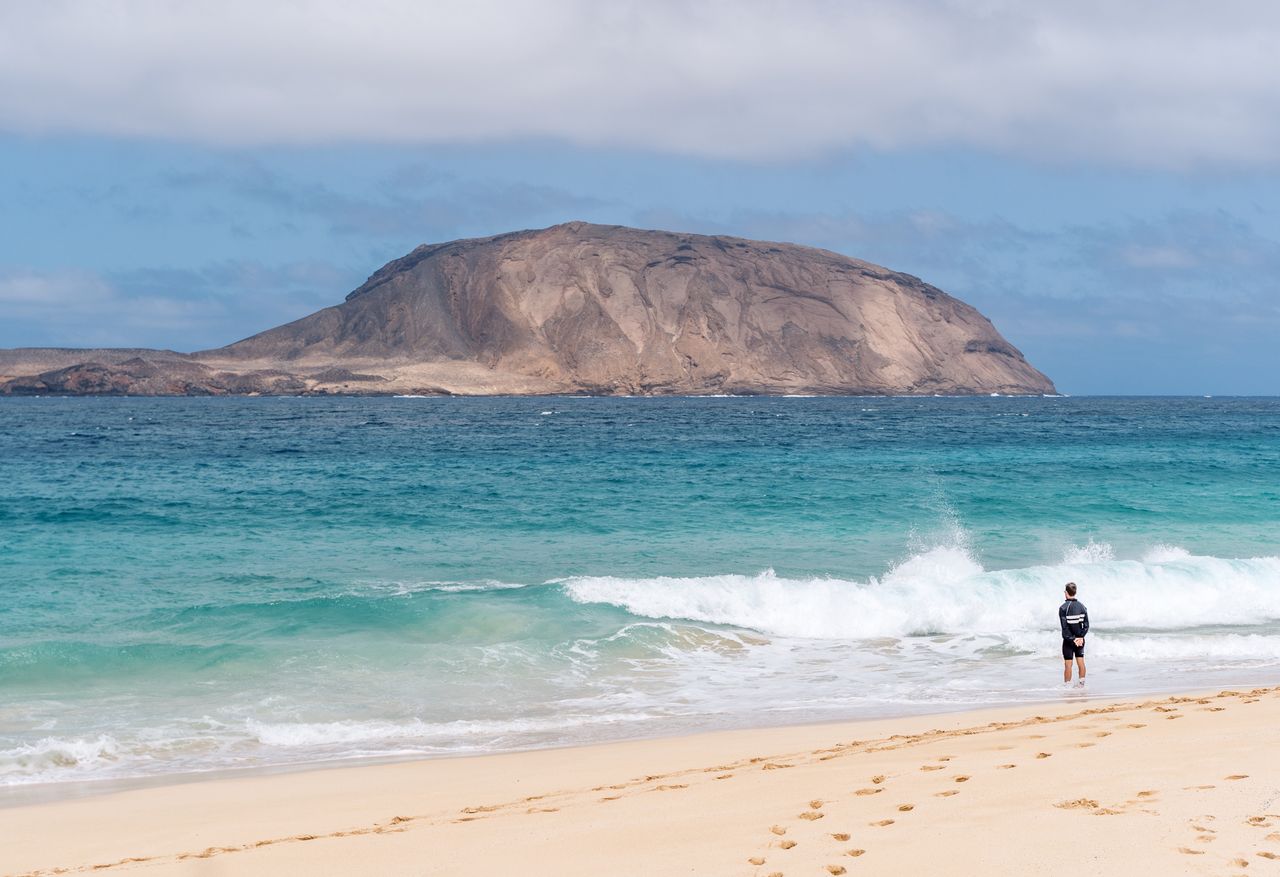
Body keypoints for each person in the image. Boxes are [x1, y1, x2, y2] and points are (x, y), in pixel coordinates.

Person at [1059, 582, 1089, 685]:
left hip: (1069, 641)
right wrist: (1080, 637)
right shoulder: (1082, 606)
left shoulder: (1063, 608)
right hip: (1080, 640)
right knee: (1081, 662)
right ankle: (1082, 686)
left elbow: (1065, 627)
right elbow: (1086, 625)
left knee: (1068, 664)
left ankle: (1067, 687)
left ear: (1066, 593)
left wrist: (1072, 639)